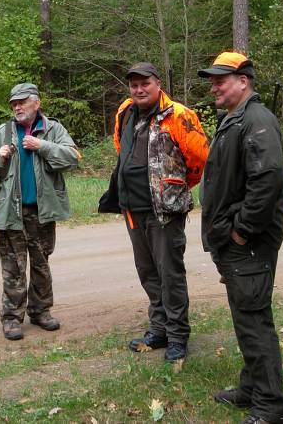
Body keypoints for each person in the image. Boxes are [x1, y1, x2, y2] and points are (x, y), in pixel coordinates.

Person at [198, 51, 283, 424]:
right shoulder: (236, 119)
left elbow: (266, 182)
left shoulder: (257, 120)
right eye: (213, 81)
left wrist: (241, 231)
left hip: (248, 244)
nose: (214, 87)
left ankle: (270, 407)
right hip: (234, 241)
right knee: (245, 316)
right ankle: (251, 388)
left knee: (253, 320)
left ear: (243, 81)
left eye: (221, 80)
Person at [112, 62, 208, 363]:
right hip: (133, 209)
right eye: (134, 85)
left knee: (170, 274)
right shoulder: (125, 112)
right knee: (148, 272)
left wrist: (174, 188)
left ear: (158, 84)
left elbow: (200, 159)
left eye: (145, 84)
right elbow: (120, 148)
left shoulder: (178, 115)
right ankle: (160, 329)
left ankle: (178, 336)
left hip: (164, 211)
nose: (139, 89)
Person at [0, 83, 80, 341]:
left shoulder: (53, 129)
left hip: (42, 211)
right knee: (13, 267)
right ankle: (12, 318)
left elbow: (72, 157)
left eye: (22, 101)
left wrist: (42, 146)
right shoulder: (4, 132)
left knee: (41, 264)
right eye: (14, 103)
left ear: (37, 103)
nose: (17, 107)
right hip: (11, 212)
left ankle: (40, 311)